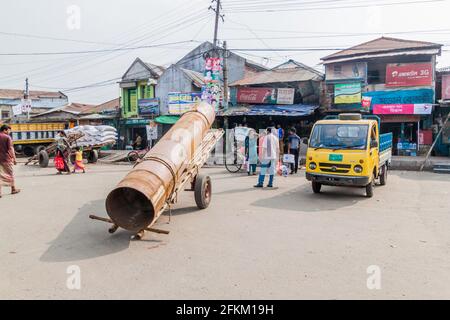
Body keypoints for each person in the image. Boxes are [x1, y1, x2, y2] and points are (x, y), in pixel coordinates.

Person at [0, 125, 20, 197]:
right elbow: (11, 149)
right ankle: (13, 189)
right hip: (6, 159)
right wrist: (14, 159)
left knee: (0, 175)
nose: (9, 132)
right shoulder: (7, 137)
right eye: (9, 130)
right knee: (10, 174)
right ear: (5, 130)